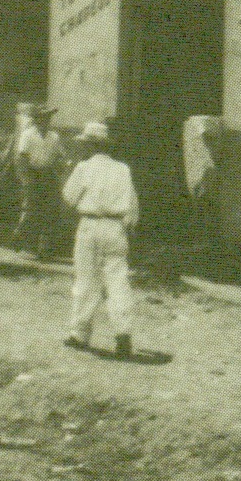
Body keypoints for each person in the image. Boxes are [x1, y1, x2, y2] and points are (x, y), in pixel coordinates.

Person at [62, 120, 139, 359]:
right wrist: (127, 228)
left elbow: (69, 198)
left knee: (86, 279)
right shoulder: (123, 169)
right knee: (117, 281)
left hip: (90, 224)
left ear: (91, 146)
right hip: (115, 226)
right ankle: (123, 335)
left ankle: (80, 333)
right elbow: (133, 205)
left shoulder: (84, 168)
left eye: (85, 144)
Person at [13, 103, 68, 260]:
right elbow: (22, 158)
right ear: (36, 120)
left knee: (51, 210)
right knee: (31, 209)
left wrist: (62, 164)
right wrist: (26, 179)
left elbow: (59, 156)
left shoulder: (54, 137)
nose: (45, 121)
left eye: (48, 118)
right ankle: (21, 239)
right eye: (42, 118)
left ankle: (45, 249)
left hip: (48, 174)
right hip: (33, 173)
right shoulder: (28, 135)